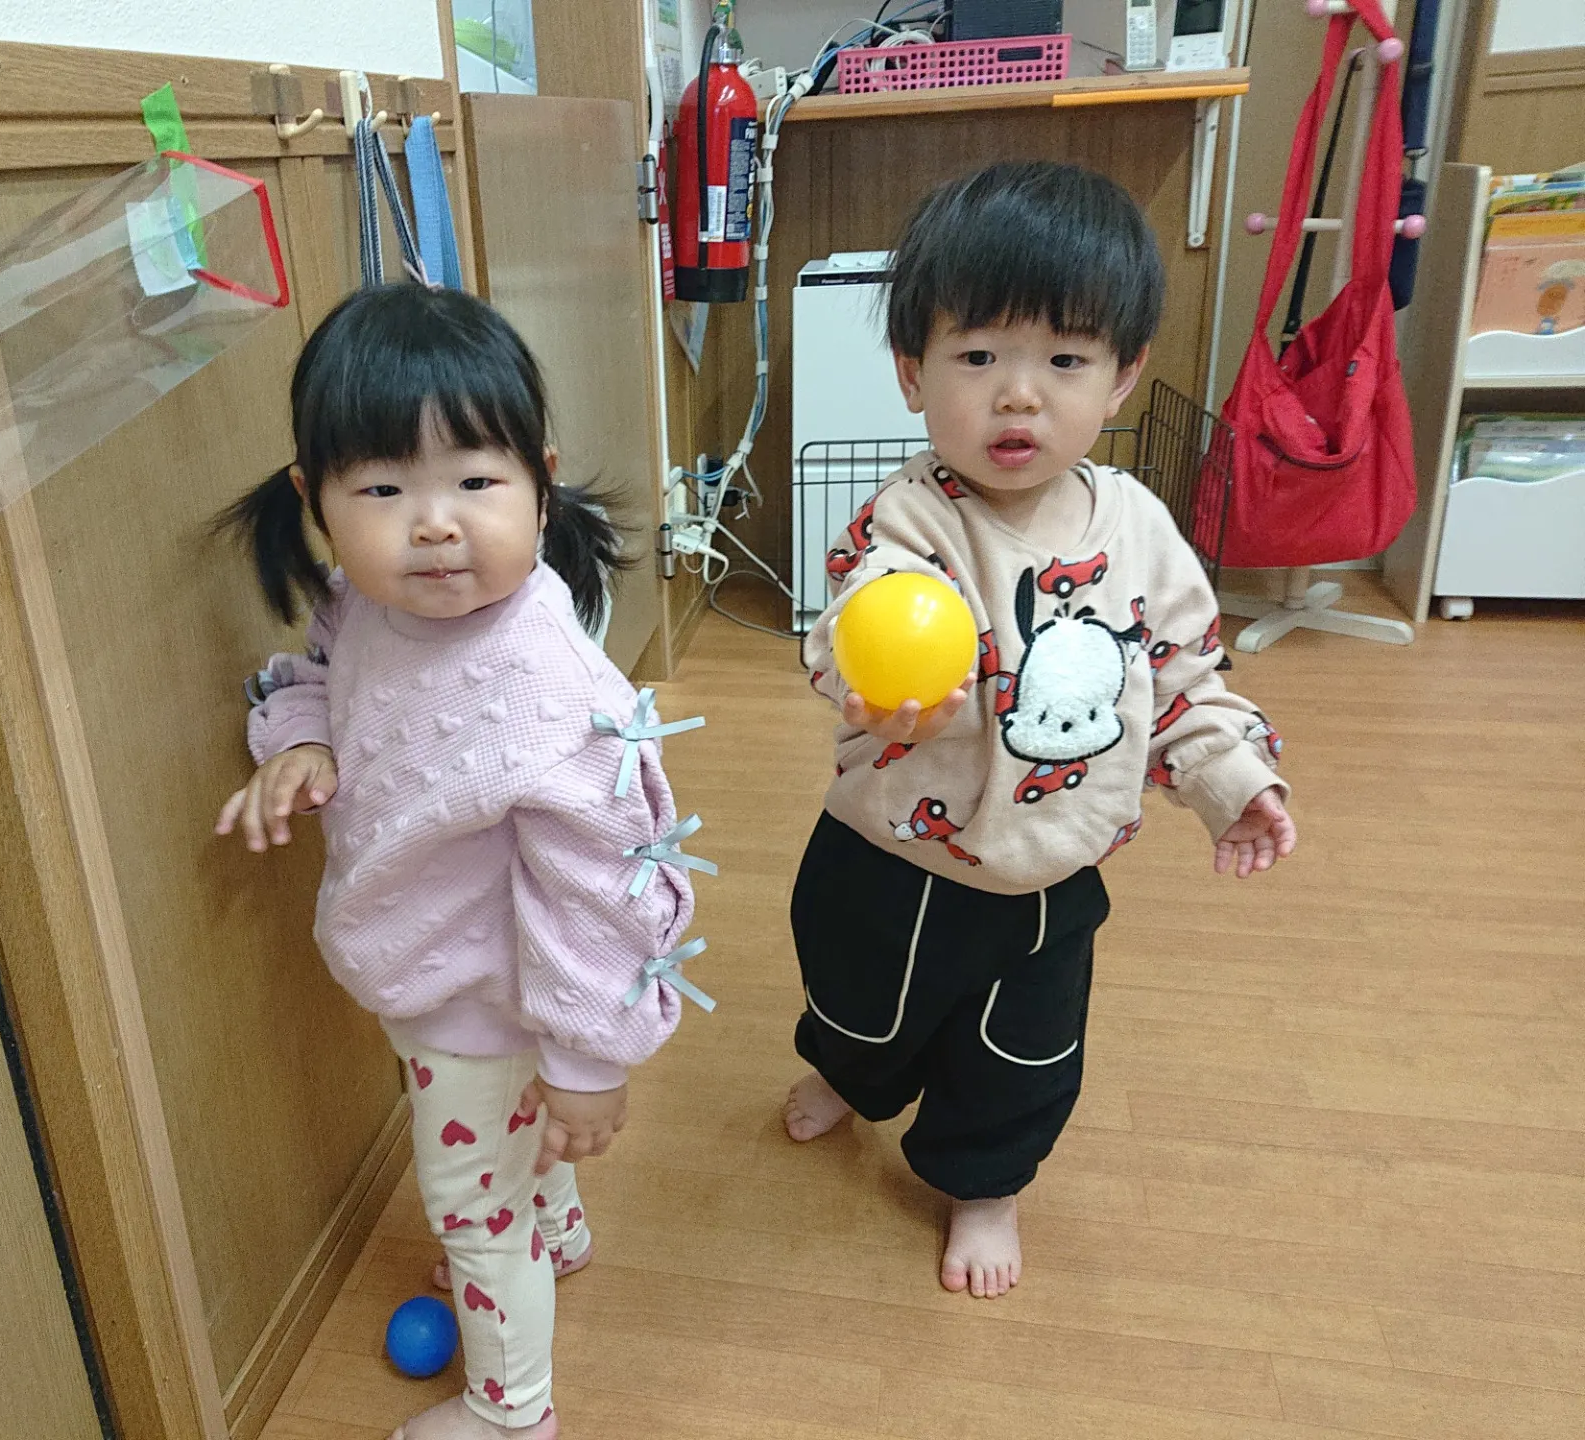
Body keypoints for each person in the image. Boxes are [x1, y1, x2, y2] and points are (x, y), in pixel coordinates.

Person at [787, 162, 1296, 1300]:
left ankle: (985, 1184)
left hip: (1055, 864)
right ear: (912, 372)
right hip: (893, 853)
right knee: (859, 1012)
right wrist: (869, 674)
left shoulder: (1142, 531)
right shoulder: (911, 520)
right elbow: (859, 613)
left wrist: (1234, 781)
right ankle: (849, 1075)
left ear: (1124, 376)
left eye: (1064, 361)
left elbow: (1186, 676)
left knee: (1024, 1050)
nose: (1018, 397)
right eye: (978, 358)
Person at [215, 283, 711, 1439]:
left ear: (541, 481)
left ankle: (509, 1412)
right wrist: (302, 743)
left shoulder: (543, 685)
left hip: (493, 1006)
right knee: (508, 1165)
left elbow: (602, 887)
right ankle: (559, 1228)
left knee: (473, 1221)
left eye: (476, 483)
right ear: (315, 500)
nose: (434, 524)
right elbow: (317, 673)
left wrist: (587, 1058)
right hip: (430, 968)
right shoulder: (365, 602)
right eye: (384, 490)